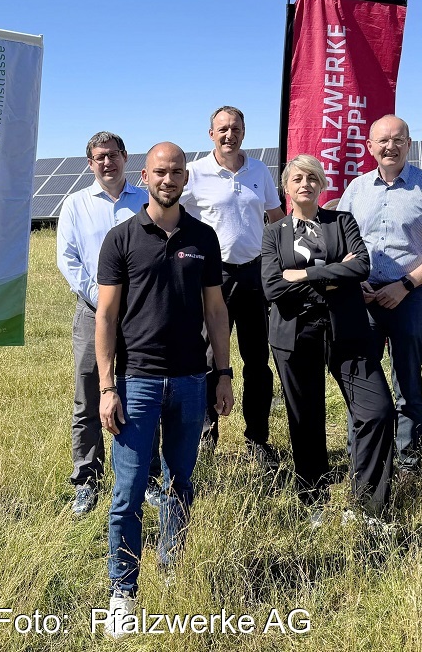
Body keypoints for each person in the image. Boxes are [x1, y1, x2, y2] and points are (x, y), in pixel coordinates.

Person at [95, 142, 234, 639]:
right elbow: (106, 316)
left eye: (176, 171)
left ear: (184, 179)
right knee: (129, 490)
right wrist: (107, 386)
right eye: (160, 171)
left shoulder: (203, 237)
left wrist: (223, 372)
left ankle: (173, 571)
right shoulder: (122, 239)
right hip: (137, 382)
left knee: (181, 482)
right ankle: (123, 592)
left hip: (192, 380)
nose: (168, 178)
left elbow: (216, 312)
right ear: (145, 175)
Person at [261, 154, 396, 520]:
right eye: (297, 179)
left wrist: (303, 276)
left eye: (312, 178)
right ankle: (313, 499)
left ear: (321, 185)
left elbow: (361, 266)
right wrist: (334, 276)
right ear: (286, 189)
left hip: (347, 329)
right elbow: (273, 286)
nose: (305, 184)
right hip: (294, 332)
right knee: (304, 418)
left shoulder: (342, 221)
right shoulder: (275, 232)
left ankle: (368, 504)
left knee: (378, 410)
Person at [338, 115, 422, 481]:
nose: (389, 146)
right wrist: (353, 281)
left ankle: (409, 464)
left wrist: (406, 285)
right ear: (370, 147)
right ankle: (362, 460)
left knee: (407, 382)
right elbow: (340, 243)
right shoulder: (356, 190)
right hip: (363, 298)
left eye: (397, 139)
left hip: (409, 297)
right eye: (382, 141)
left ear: (409, 144)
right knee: (362, 383)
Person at [55, 132, 162, 516]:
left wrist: (134, 302)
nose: (107, 163)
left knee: (143, 395)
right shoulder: (75, 205)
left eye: (113, 156)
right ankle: (86, 479)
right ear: (90, 163)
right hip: (93, 314)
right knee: (89, 395)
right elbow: (68, 260)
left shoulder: (145, 201)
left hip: (142, 316)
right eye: (99, 157)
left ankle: (147, 478)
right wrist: (105, 301)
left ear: (125, 158)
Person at [181, 105, 283, 469]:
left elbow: (277, 219)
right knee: (208, 359)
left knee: (257, 361)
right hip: (212, 279)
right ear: (211, 134)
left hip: (255, 277)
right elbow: (173, 216)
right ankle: (206, 437)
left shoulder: (259, 171)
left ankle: (257, 439)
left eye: (235, 128)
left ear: (244, 132)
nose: (229, 134)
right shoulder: (193, 173)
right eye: (222, 128)